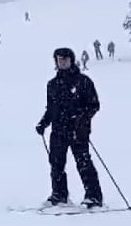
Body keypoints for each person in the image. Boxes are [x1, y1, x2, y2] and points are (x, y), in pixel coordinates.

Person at [36, 47, 103, 208]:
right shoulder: (52, 84)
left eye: (65, 59)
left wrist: (81, 119)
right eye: (59, 59)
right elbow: (51, 108)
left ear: (72, 60)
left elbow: (94, 105)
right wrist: (43, 123)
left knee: (83, 163)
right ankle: (59, 195)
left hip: (78, 131)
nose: (63, 62)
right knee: (56, 163)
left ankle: (93, 196)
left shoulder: (83, 81)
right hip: (58, 131)